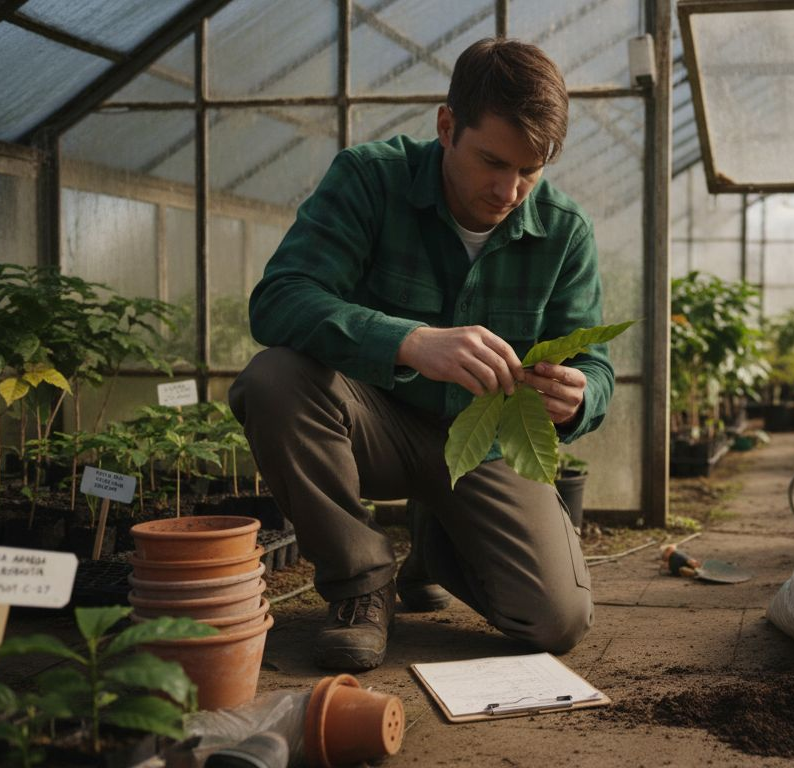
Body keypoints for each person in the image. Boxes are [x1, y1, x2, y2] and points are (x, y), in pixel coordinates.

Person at [229, 37, 611, 671]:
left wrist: (580, 396)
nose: (509, 189)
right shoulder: (369, 180)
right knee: (273, 379)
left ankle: (436, 544)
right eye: (492, 160)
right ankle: (359, 584)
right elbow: (279, 298)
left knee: (555, 620)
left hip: (483, 445)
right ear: (446, 125)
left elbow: (595, 365)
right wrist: (406, 340)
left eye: (530, 170)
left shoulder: (565, 232)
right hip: (370, 424)